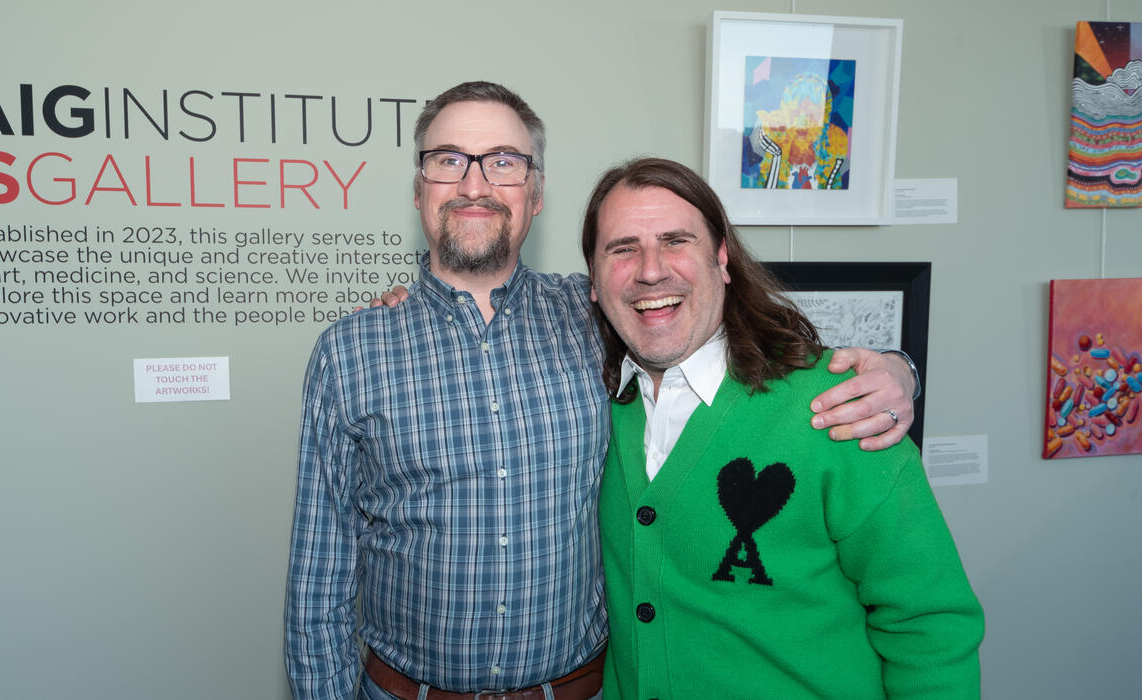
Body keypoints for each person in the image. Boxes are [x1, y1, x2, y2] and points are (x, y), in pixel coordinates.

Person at [284, 81, 918, 700]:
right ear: (420, 187)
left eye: (504, 162)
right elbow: (319, 578)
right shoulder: (351, 352)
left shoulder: (599, 318)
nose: (474, 183)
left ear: (535, 194)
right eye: (448, 161)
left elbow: (729, 329)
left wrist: (895, 368)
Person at [582, 157, 983, 698]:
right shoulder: (588, 406)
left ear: (722, 259)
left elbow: (929, 624)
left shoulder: (839, 407)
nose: (651, 270)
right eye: (623, 248)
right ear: (593, 280)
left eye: (677, 241)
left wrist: (901, 371)